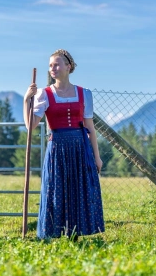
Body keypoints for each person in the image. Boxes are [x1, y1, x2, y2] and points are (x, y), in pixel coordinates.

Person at [24, 49, 104, 239]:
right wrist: (27, 99)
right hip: (57, 147)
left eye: (57, 64)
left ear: (68, 67)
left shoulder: (84, 93)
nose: (53, 68)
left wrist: (97, 157)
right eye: (51, 65)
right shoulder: (44, 94)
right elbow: (31, 126)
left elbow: (90, 127)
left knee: (79, 189)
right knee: (56, 189)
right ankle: (54, 233)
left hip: (80, 147)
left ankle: (75, 233)